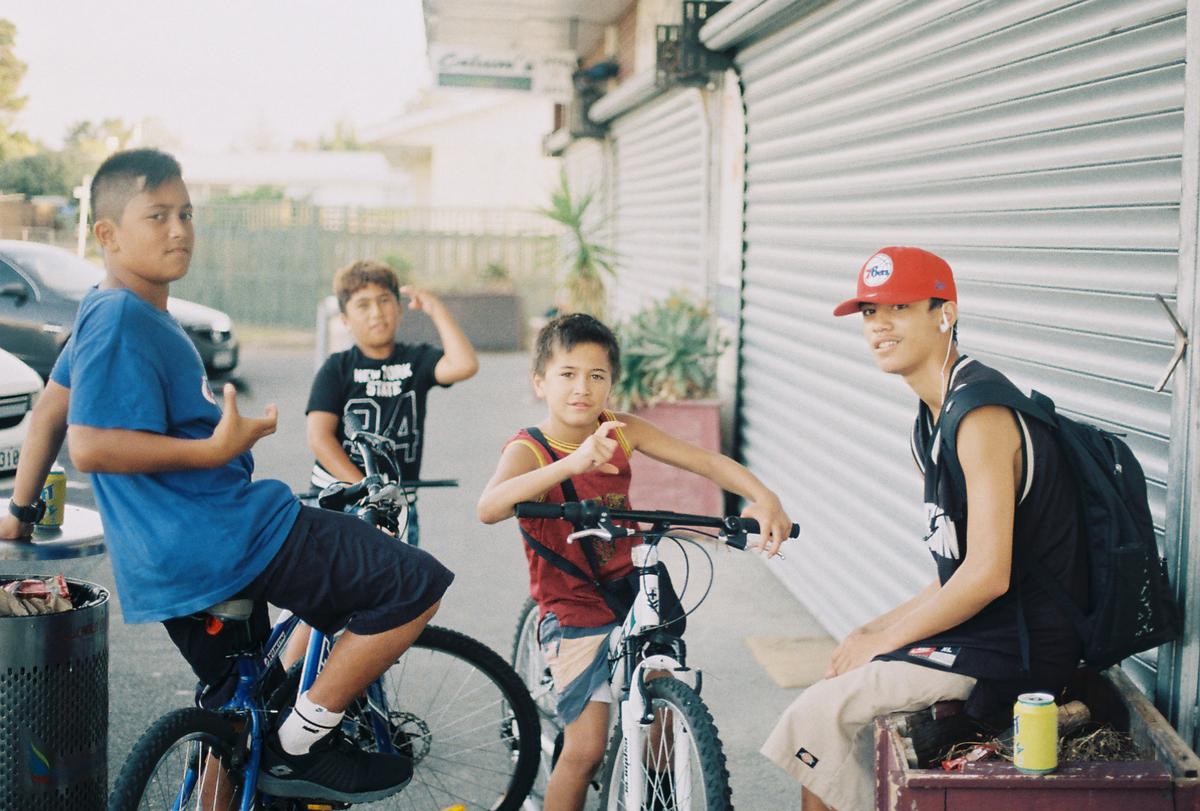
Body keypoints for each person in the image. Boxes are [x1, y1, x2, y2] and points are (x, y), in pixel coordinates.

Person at [0, 149, 454, 805]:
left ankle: (258, 759)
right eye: (157, 215)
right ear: (107, 234)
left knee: (234, 722)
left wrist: (19, 507)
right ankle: (306, 743)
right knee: (415, 583)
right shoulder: (124, 318)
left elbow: (47, 412)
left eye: (185, 213)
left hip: (176, 563)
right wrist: (219, 446)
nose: (179, 228)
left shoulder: (106, 310)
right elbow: (92, 446)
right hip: (229, 537)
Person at [761, 247, 1086, 811]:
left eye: (899, 307)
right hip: (983, 636)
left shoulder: (980, 416)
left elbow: (987, 576)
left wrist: (888, 640)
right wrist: (872, 628)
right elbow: (957, 572)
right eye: (867, 312)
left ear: (945, 313)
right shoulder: (932, 420)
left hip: (1019, 649)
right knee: (835, 686)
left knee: (817, 716)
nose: (878, 325)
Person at [477, 313, 793, 811]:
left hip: (633, 582)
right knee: (584, 750)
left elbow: (706, 461)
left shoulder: (620, 431)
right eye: (567, 374)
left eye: (597, 376)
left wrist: (764, 496)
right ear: (540, 382)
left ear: (611, 385)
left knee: (664, 706)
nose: (583, 387)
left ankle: (660, 793)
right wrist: (573, 463)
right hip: (573, 600)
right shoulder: (530, 449)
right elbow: (489, 507)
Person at [305, 259, 478, 547]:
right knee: (336, 588)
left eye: (384, 300)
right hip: (339, 499)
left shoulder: (416, 360)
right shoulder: (337, 367)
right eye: (363, 305)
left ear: (398, 308)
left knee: (397, 587)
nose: (376, 313)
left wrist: (436, 309)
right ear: (345, 319)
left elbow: (464, 364)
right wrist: (367, 488)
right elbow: (319, 437)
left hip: (395, 505)